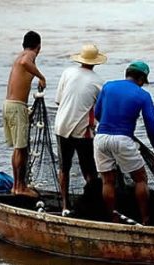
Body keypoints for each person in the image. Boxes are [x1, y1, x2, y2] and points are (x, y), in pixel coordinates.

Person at [93, 61, 154, 225]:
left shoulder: (108, 86)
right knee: (140, 179)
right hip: (123, 139)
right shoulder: (143, 95)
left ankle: (113, 219)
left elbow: (97, 113)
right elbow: (152, 127)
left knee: (107, 181)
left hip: (101, 137)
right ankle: (146, 220)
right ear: (141, 78)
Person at [54, 44, 106, 214]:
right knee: (89, 171)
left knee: (64, 168)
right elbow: (99, 111)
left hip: (61, 126)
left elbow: (59, 101)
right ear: (96, 62)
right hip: (82, 131)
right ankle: (91, 205)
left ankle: (65, 206)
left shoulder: (67, 73)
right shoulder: (99, 82)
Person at [3, 30, 46, 197]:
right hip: (16, 106)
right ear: (38, 47)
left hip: (9, 105)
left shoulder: (21, 54)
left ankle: (17, 186)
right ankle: (20, 188)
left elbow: (22, 64)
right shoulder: (28, 55)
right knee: (21, 148)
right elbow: (24, 62)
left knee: (19, 149)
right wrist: (41, 77)